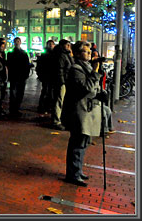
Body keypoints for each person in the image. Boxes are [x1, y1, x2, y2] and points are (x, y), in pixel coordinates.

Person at [61, 41, 105, 187]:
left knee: (84, 142)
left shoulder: (86, 66)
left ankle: (77, 170)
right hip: (79, 110)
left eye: (89, 51)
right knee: (77, 142)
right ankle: (72, 174)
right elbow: (85, 88)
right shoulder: (76, 69)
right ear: (78, 53)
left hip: (87, 109)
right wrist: (95, 73)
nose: (90, 54)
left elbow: (94, 87)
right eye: (86, 51)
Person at [50, 39, 74, 130]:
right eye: (67, 45)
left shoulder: (67, 54)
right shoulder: (61, 55)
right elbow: (60, 69)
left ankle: (59, 119)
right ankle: (56, 121)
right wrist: (62, 82)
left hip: (65, 81)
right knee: (59, 100)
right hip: (61, 82)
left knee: (61, 100)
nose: (69, 47)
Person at [7, 37, 32, 117]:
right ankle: (13, 110)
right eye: (16, 41)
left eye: (18, 41)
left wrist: (26, 74)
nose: (17, 43)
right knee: (14, 94)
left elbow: (26, 64)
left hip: (21, 77)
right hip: (15, 76)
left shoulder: (23, 53)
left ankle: (16, 109)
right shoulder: (11, 53)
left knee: (19, 94)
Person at [36, 40, 55, 114]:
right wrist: (40, 75)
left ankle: (48, 106)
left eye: (52, 44)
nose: (50, 45)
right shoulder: (44, 54)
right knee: (45, 91)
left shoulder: (55, 54)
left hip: (52, 76)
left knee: (50, 92)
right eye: (49, 44)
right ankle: (42, 107)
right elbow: (40, 65)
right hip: (46, 75)